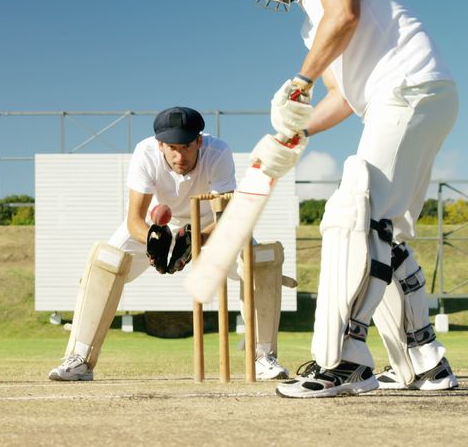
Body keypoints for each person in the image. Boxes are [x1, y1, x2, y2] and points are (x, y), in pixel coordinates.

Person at [225, 0, 460, 398]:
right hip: (402, 99)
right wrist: (294, 131)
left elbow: (346, 14)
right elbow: (345, 98)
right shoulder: (313, 25)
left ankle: (343, 361)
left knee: (349, 217)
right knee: (382, 232)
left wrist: (300, 81)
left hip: (408, 89)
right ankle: (424, 362)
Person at [48, 106, 292, 382]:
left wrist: (196, 238)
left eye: (187, 146)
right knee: (106, 262)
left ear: (199, 141)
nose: (180, 156)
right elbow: (134, 220)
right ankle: (79, 359)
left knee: (259, 261)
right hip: (159, 224)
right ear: (160, 144)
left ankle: (263, 358)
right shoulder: (145, 153)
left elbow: (230, 216)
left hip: (209, 223)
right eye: (172, 148)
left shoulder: (218, 152)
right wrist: (154, 241)